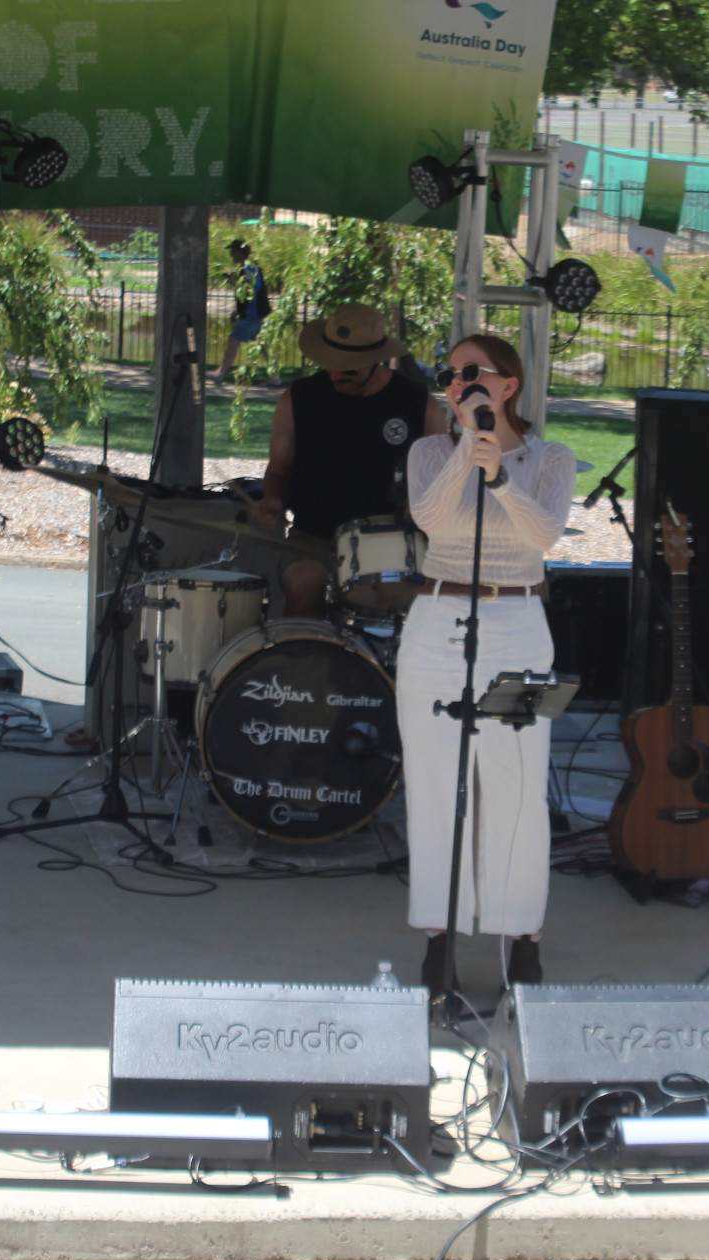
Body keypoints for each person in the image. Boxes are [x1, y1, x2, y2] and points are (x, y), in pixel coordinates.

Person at [399, 335, 573, 996]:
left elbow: (543, 535)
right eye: (450, 373)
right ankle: (438, 938)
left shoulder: (551, 456)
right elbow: (430, 518)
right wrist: (465, 451)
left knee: (518, 785)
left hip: (521, 628)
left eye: (472, 372)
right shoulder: (428, 451)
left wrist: (498, 470)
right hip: (437, 623)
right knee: (437, 784)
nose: (457, 380)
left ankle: (522, 936)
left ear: (508, 383)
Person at [250, 302, 448, 616]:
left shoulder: (418, 404)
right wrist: (273, 500)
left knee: (410, 599)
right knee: (303, 583)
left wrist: (423, 505)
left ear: (375, 359)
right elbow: (279, 472)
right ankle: (303, 663)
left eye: (348, 365)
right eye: (330, 361)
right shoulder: (298, 400)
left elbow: (444, 482)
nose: (335, 371)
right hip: (313, 538)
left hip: (393, 540)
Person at [212, 239, 268, 384]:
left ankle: (220, 373)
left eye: (233, 251)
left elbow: (252, 289)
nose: (231, 255)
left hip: (252, 314)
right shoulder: (248, 266)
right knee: (263, 344)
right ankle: (275, 377)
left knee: (233, 341)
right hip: (255, 312)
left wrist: (235, 282)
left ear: (240, 252)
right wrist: (237, 309)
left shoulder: (250, 267)